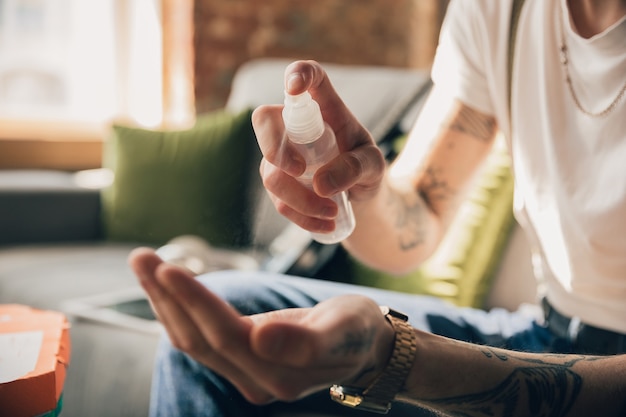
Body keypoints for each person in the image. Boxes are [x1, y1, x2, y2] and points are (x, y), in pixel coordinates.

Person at [129, 0, 626, 416]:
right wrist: (363, 194)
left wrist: (394, 356)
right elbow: (420, 221)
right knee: (216, 325)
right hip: (547, 331)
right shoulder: (501, 11)